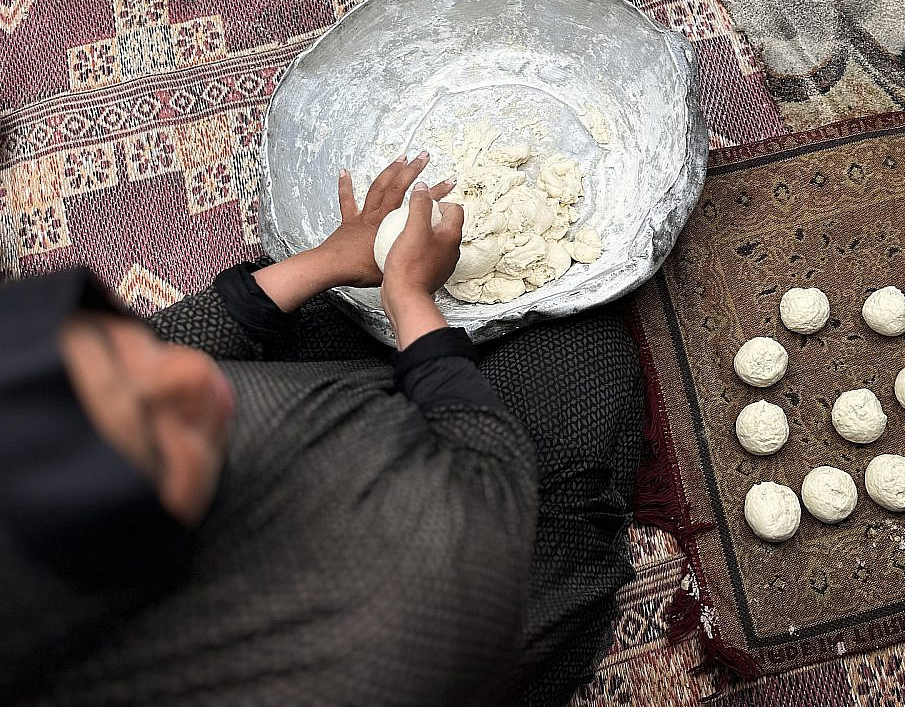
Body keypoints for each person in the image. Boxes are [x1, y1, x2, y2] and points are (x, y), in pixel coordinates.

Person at [0, 154, 642, 706]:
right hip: (479, 533)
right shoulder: (360, 642)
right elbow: (485, 471)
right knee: (569, 334)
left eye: (123, 351)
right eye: (154, 418)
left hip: (319, 449)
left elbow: (182, 343)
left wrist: (333, 259)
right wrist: (412, 300)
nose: (192, 378)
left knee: (310, 307)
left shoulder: (89, 439)